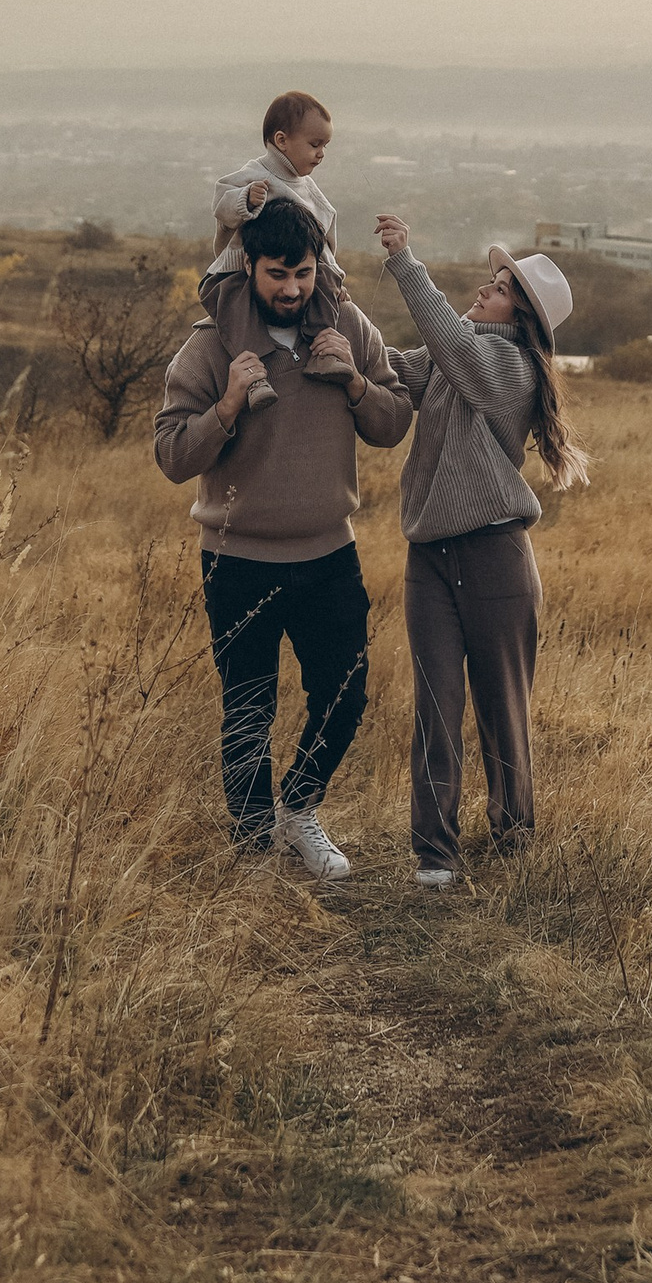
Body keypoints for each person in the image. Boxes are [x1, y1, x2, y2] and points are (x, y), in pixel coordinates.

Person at [154, 193, 413, 878]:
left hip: (330, 554)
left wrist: (354, 381)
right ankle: (252, 849)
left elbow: (392, 424)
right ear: (249, 265)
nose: (292, 288)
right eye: (277, 274)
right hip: (237, 562)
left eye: (303, 273)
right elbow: (172, 456)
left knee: (345, 695)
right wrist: (229, 404)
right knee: (248, 709)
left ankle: (299, 809)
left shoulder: (348, 326)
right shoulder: (209, 345)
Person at [374, 217, 588, 891]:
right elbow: (388, 364)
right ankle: (435, 855)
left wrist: (405, 261)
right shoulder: (455, 355)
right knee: (434, 708)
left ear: (520, 318)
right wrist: (332, 297)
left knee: (502, 711)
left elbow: (450, 346)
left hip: (496, 557)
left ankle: (513, 840)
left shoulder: (509, 369)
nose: (484, 290)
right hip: (430, 559)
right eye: (491, 281)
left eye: (499, 289)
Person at [200, 92, 343, 402]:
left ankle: (324, 353)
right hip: (240, 270)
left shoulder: (309, 189)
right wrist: (245, 199)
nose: (321, 154)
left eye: (325, 146)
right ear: (281, 141)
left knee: (325, 295)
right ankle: (253, 378)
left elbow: (324, 229)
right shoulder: (256, 174)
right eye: (314, 144)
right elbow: (221, 203)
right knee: (238, 316)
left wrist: (333, 276)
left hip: (297, 267)